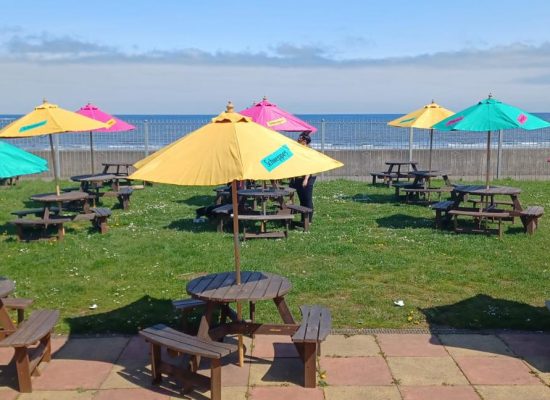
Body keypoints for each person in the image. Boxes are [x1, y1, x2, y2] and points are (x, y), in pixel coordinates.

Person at [290, 133, 316, 221]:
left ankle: (309, 220)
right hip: (298, 178)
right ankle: (303, 220)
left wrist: (305, 179)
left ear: (304, 141)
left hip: (308, 178)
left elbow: (310, 166)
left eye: (300, 138)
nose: (298, 139)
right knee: (302, 200)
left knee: (307, 199)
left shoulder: (309, 151)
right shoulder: (298, 149)